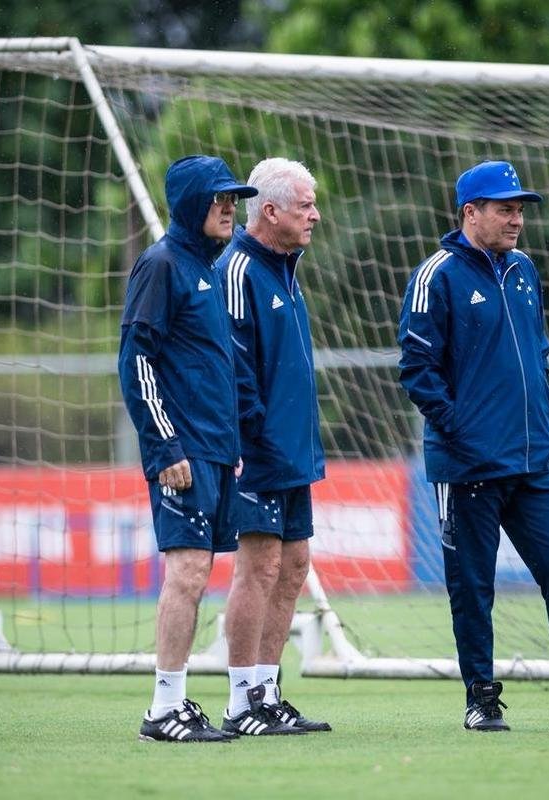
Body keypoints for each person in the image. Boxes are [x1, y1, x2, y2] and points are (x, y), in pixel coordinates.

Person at [397, 161, 549, 734]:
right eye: (505, 208)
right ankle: (480, 699)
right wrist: (461, 429)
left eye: (520, 209)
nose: (517, 219)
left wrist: (544, 415)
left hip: (533, 464)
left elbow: (537, 351)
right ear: (470, 213)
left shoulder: (525, 270)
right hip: (467, 467)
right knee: (473, 586)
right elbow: (416, 367)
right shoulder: (436, 275)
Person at [118, 155, 257, 744]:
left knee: (199, 572)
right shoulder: (162, 265)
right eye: (219, 198)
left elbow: (208, 368)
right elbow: (136, 360)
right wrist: (165, 443)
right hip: (182, 451)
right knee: (188, 570)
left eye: (234, 198)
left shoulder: (207, 268)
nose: (230, 207)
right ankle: (162, 708)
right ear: (191, 203)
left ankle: (175, 702)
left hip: (215, 450)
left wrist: (232, 443)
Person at [217, 158, 329, 736]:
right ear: (271, 211)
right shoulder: (237, 269)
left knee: (293, 566)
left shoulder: (288, 268)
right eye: (306, 205)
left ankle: (266, 690)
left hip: (293, 450)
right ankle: (240, 702)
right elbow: (233, 369)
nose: (315, 214)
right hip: (256, 451)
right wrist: (249, 439)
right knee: (258, 568)